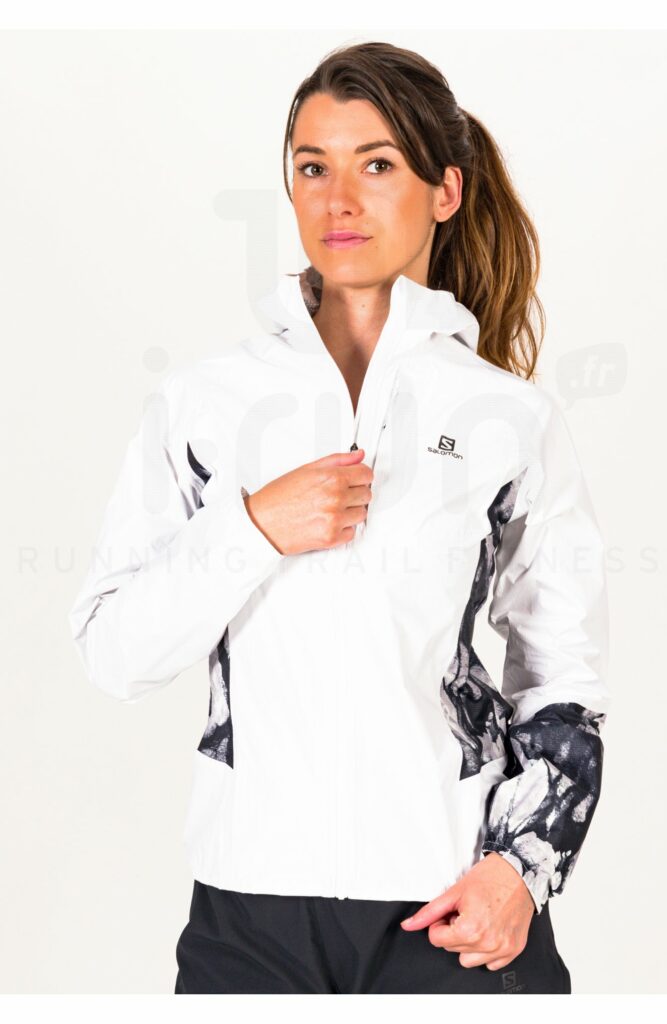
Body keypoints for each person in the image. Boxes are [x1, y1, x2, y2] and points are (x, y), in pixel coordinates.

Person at [67, 41, 610, 995]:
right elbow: (113, 653)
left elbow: (560, 676)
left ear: (444, 191)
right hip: (248, 917)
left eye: (377, 165)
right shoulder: (205, 403)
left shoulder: (510, 419)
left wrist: (522, 868)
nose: (338, 200)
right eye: (312, 168)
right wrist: (250, 530)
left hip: (454, 908)